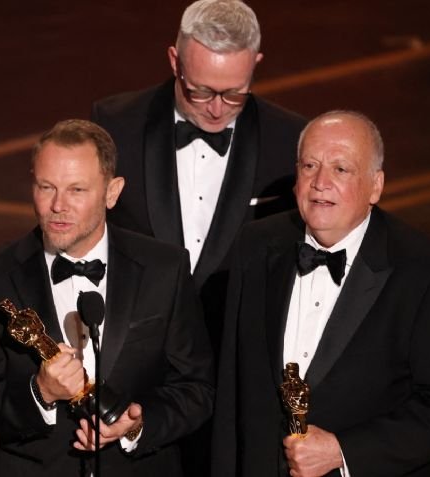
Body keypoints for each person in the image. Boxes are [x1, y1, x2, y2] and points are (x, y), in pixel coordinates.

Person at [212, 110, 430, 476]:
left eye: (341, 169)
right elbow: (232, 387)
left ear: (375, 186)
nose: (320, 183)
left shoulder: (428, 272)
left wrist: (343, 451)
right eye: (310, 166)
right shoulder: (256, 245)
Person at [0, 119, 214, 477]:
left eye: (76, 190)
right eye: (46, 187)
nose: (58, 205)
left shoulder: (164, 268)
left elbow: (197, 389)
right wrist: (40, 393)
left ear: (112, 192)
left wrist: (137, 426)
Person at [91, 0, 306, 349]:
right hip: (136, 349)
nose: (217, 109)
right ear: (175, 61)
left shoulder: (290, 141)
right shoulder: (115, 124)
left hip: (235, 351)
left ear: (256, 63)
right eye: (201, 91)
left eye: (234, 93)